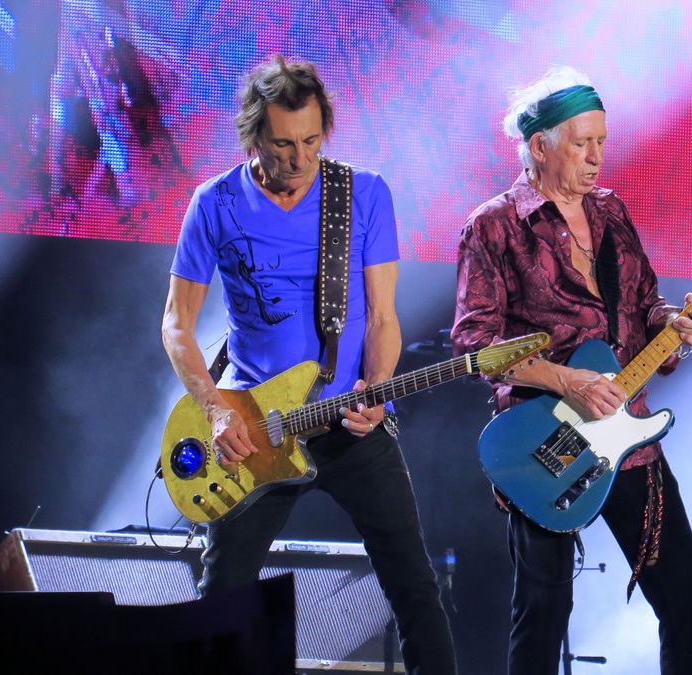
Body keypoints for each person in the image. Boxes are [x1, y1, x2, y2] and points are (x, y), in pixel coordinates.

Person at [161, 55, 456, 675]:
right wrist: (216, 411)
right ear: (253, 137)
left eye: (312, 141)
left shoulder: (363, 193)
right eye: (283, 145)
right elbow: (176, 326)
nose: (299, 159)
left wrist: (376, 391)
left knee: (414, 585)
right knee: (225, 599)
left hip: (349, 424)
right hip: (254, 431)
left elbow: (381, 319)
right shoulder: (213, 204)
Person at [451, 66, 692, 674]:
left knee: (687, 590)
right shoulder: (493, 226)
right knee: (544, 609)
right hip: (544, 440)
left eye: (602, 141)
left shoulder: (611, 212)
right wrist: (565, 379)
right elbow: (474, 340)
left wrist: (682, 328)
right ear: (539, 144)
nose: (597, 157)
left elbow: (646, 303)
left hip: (629, 433)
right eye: (581, 143)